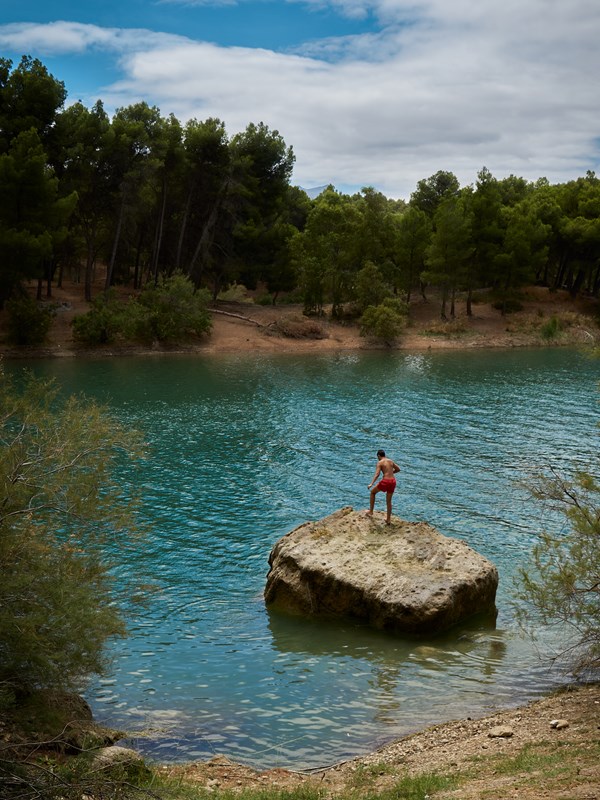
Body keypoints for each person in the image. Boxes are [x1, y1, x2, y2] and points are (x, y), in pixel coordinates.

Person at [366, 449, 400, 524]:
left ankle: (371, 511)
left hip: (385, 481)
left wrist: (371, 483)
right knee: (389, 501)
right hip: (393, 481)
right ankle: (388, 519)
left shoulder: (380, 462)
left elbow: (377, 474)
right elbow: (398, 469)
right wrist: (391, 473)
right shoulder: (390, 461)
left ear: (378, 456)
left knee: (372, 492)